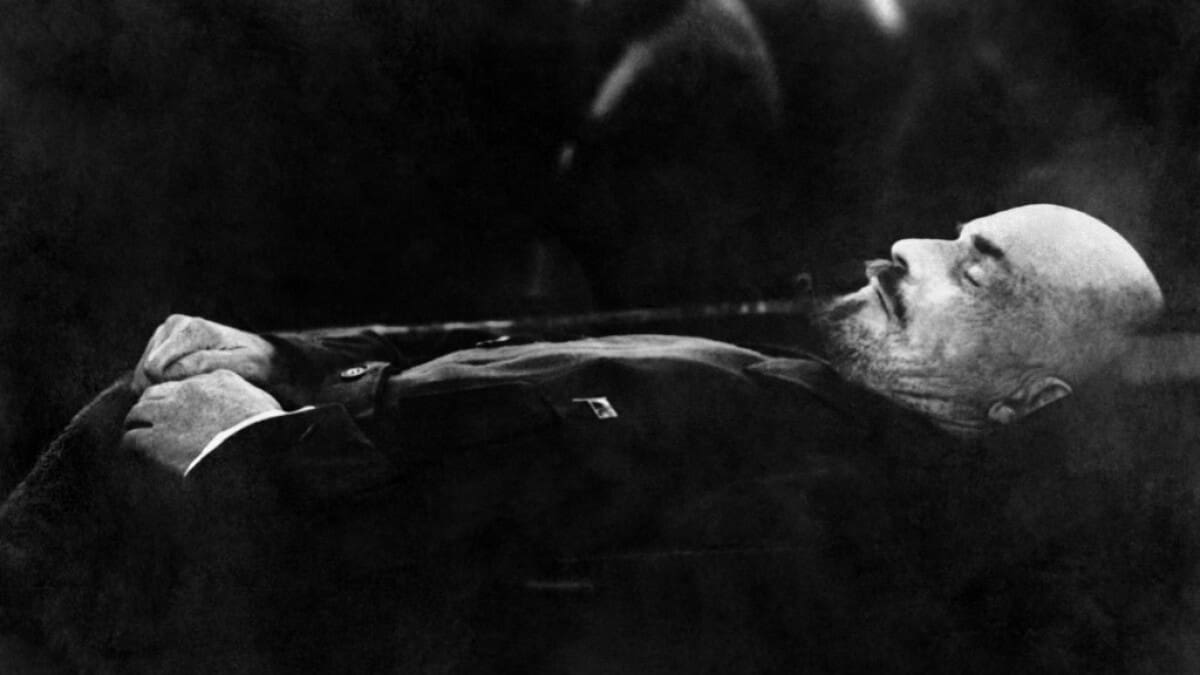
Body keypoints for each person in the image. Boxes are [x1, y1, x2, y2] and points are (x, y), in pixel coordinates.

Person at [2, 204, 1164, 673]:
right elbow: (528, 347)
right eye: (948, 232)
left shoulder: (837, 542)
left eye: (973, 270)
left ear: (1026, 401)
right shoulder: (815, 375)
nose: (906, 250)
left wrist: (246, 460)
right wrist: (289, 356)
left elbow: (487, 628)